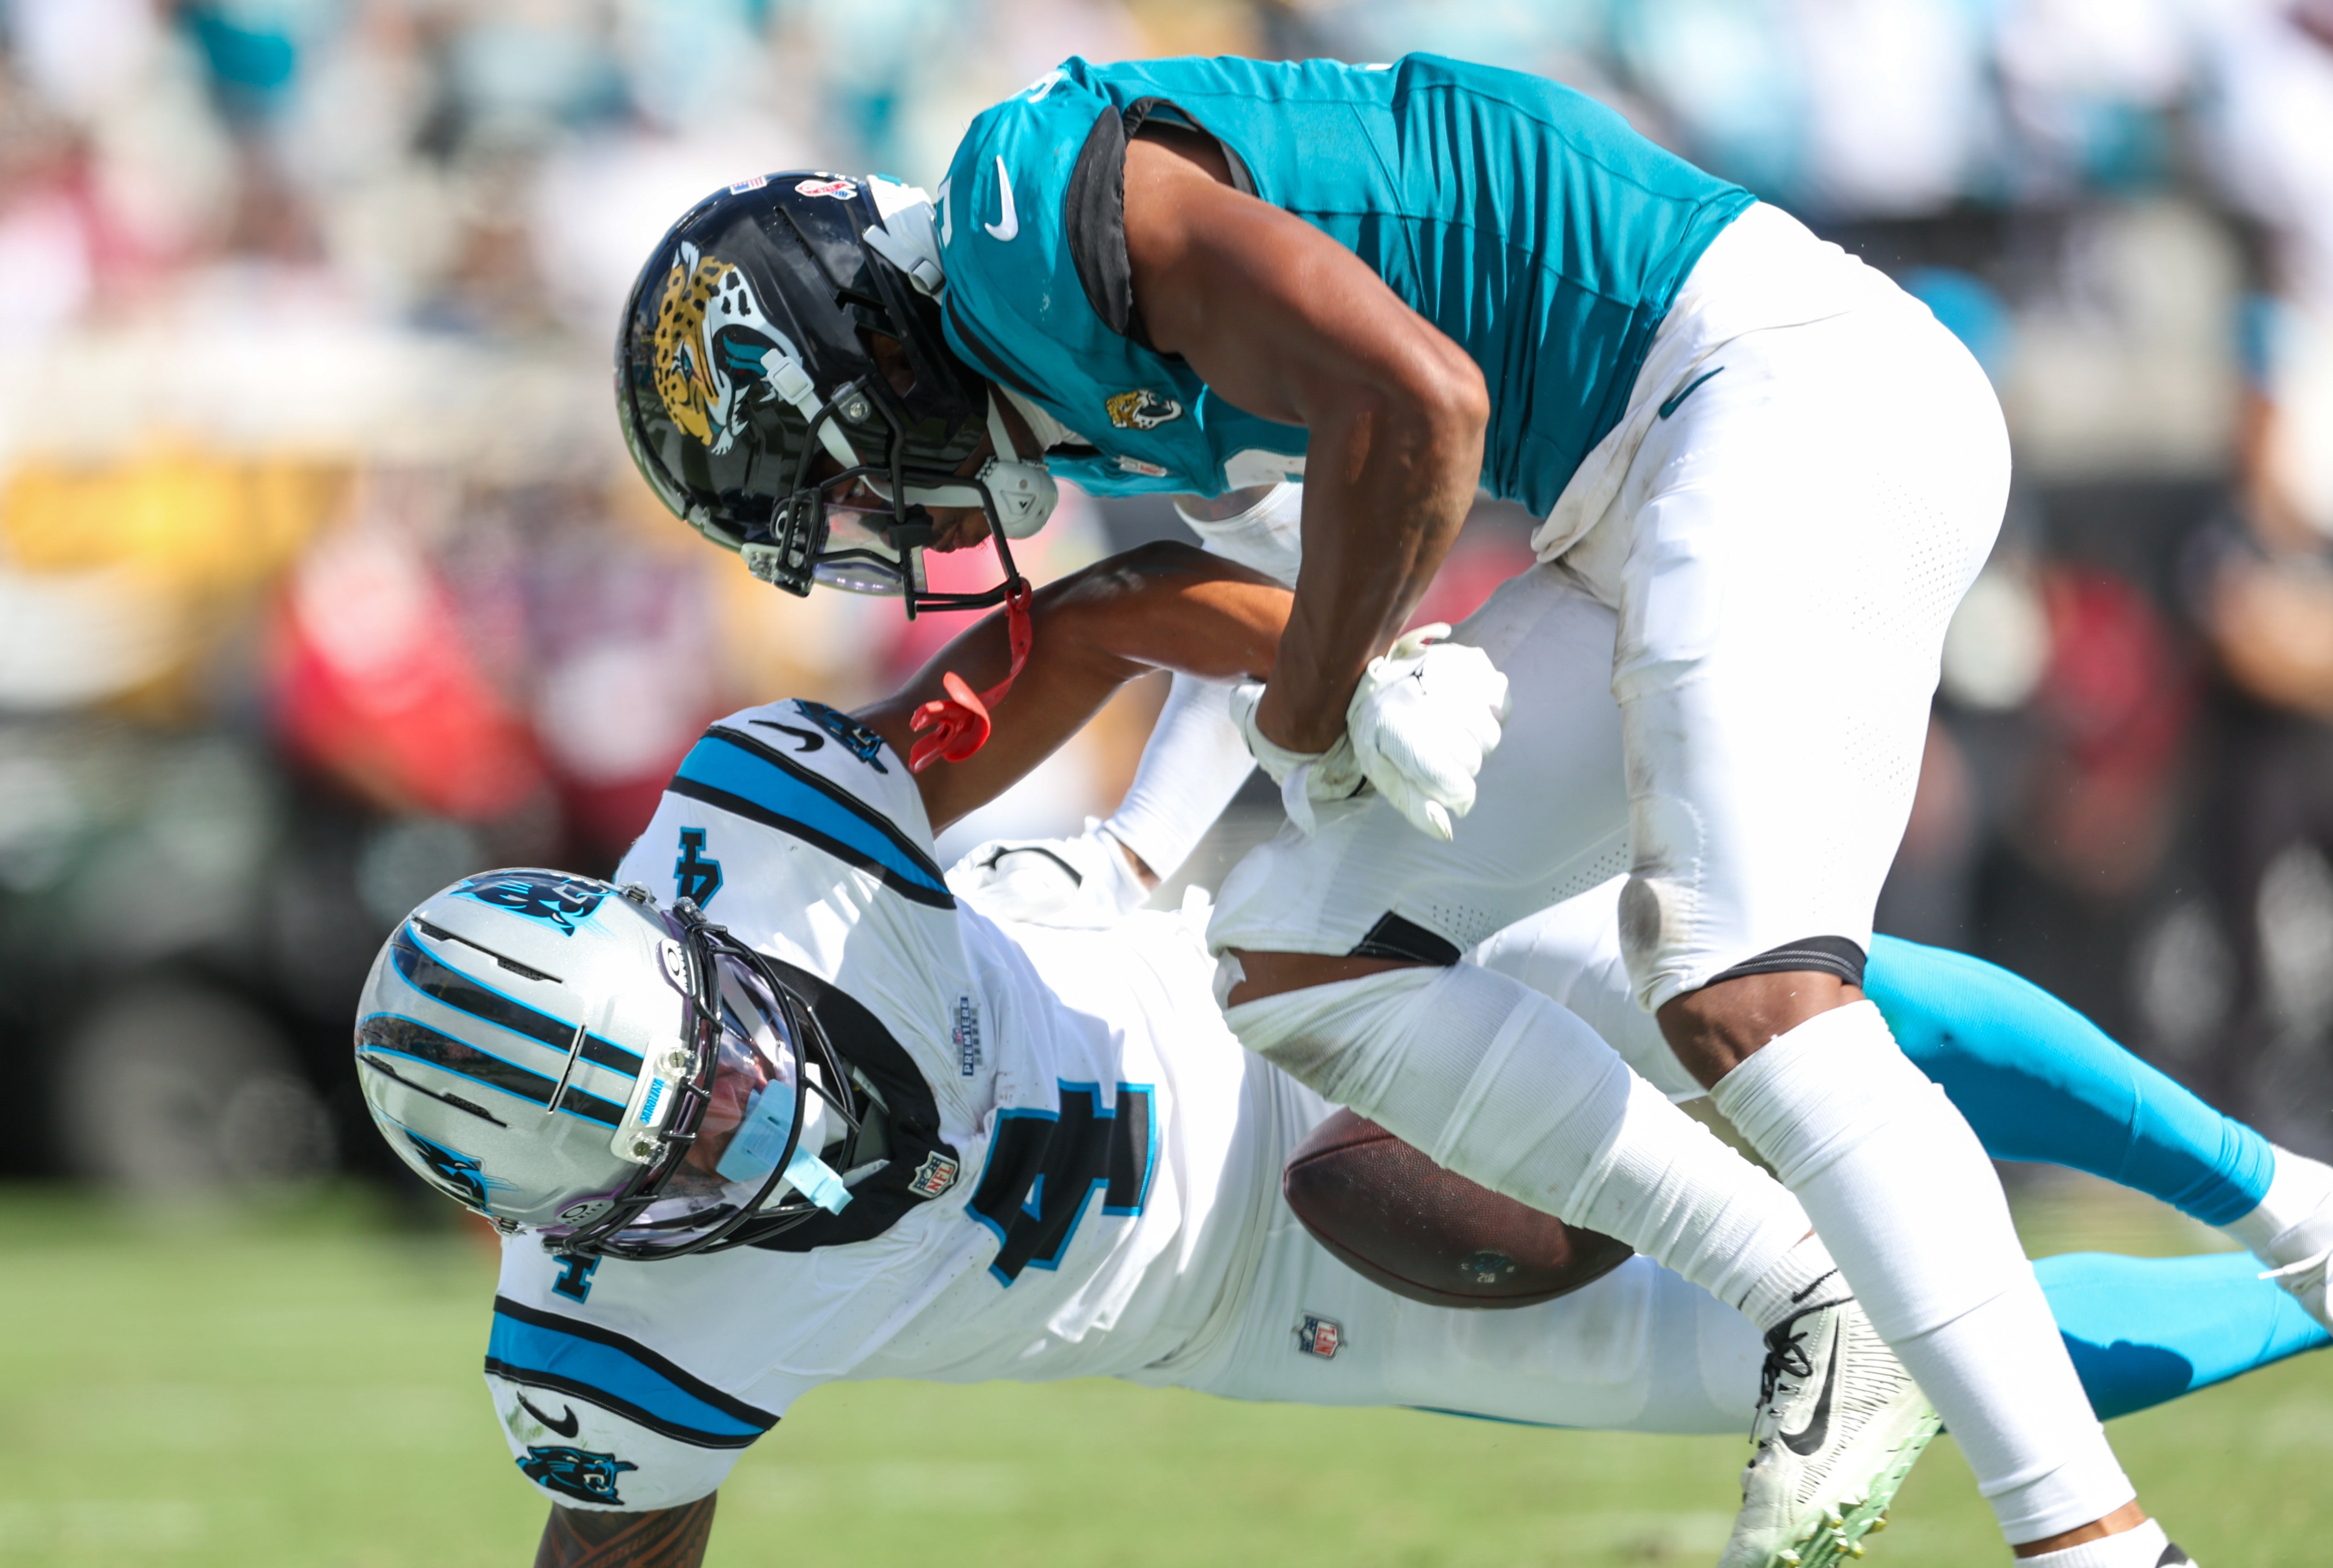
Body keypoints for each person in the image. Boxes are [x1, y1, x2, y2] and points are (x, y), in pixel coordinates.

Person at [605, 60, 2184, 1560]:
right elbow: (1289, 553)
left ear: (851, 354)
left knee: (1746, 982)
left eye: (829, 483)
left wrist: (1321, 698)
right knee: (1296, 949)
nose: (872, 521)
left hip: (1770, 385)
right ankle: (1807, 1295)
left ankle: (2098, 1541)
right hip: (1635, 479)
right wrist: (1169, 835)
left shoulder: (1035, 222)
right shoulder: (1042, 342)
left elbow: (1419, 402)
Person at [358, 552, 2324, 1568]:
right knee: (1847, 1353)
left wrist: (1332, 668)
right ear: (564, 1221)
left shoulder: (777, 835)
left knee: (1792, 1017)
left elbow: (1113, 615)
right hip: (1259, 1289)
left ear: (693, 955)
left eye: (704, 1064)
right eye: (673, 1147)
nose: (738, 1119)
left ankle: (2284, 1199)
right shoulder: (609, 1342)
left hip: (1239, 979)